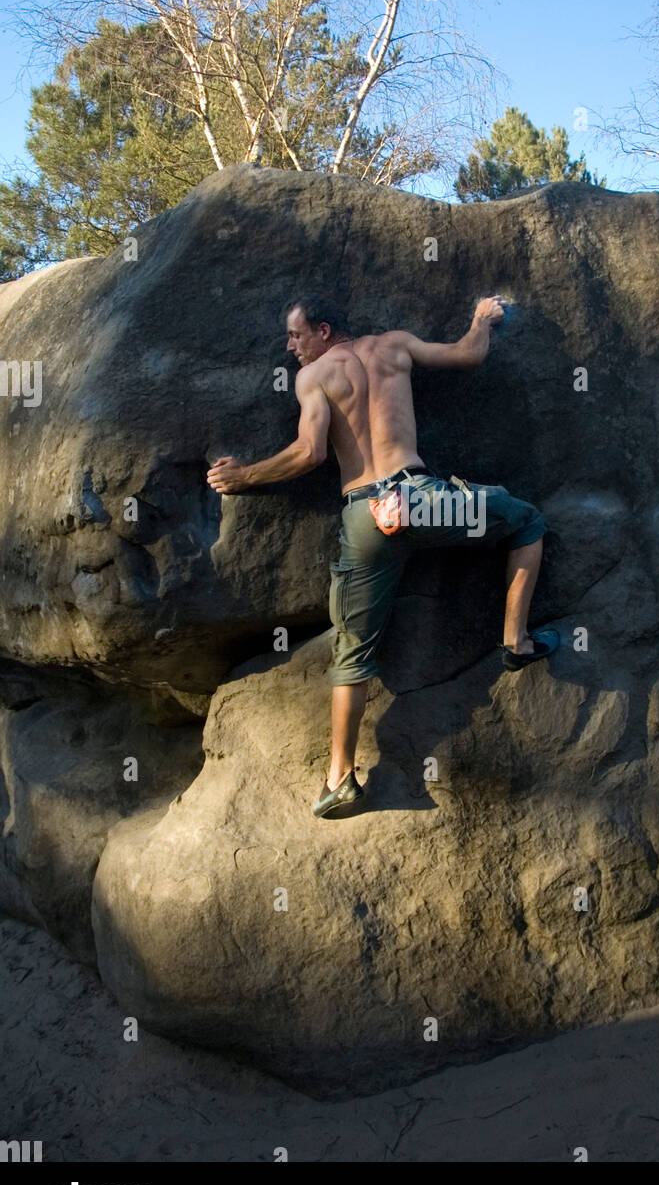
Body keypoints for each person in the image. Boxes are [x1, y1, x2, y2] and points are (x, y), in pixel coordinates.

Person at [206, 294, 558, 818]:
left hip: (366, 514)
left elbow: (310, 452)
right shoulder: (395, 345)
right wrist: (482, 318)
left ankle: (339, 778)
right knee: (526, 520)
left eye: (296, 335)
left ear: (324, 330)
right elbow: (468, 354)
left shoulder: (315, 377)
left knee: (352, 652)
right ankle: (516, 641)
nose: (290, 346)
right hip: (424, 503)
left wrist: (243, 476)